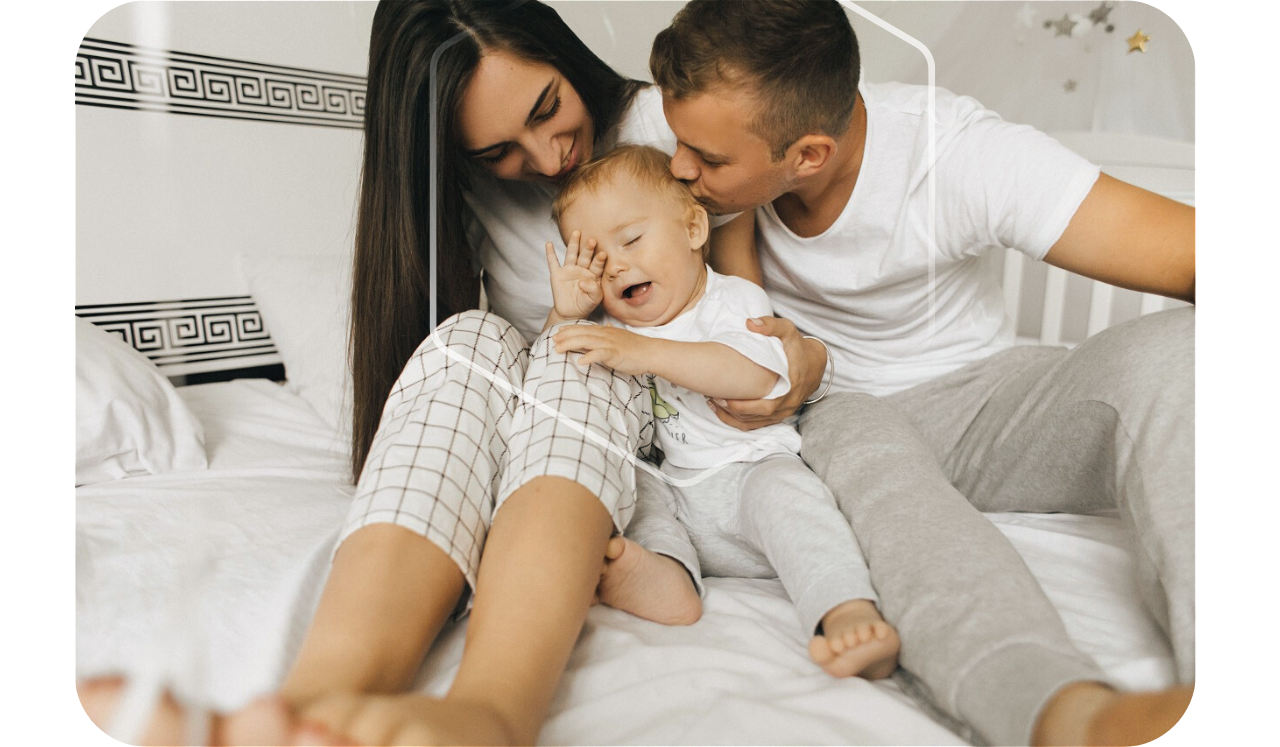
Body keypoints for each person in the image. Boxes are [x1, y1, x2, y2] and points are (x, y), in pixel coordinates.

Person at [75, 1, 758, 744]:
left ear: (559, 53)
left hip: (641, 418)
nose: (544, 156)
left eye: (546, 109)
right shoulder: (463, 192)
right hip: (523, 440)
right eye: (497, 150)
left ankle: (488, 712)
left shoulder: (682, 131)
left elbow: (757, 311)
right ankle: (310, 704)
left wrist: (793, 361)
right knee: (467, 337)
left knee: (579, 358)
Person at [646, 1, 1196, 744]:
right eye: (682, 144)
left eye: (706, 160)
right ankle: (1059, 708)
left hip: (992, 401)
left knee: (1175, 351)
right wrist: (796, 353)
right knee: (875, 455)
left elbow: (1181, 249)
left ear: (807, 154)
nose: (679, 168)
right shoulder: (716, 171)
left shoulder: (956, 154)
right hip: (839, 414)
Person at [545, 144, 900, 678]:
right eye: (596, 258)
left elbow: (756, 374)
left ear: (693, 229)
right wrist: (563, 313)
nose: (617, 265)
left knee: (794, 504)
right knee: (635, 502)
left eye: (632, 239)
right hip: (674, 488)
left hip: (749, 475)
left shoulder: (733, 301)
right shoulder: (613, 332)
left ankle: (842, 606)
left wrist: (641, 353)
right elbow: (550, 382)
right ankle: (667, 581)